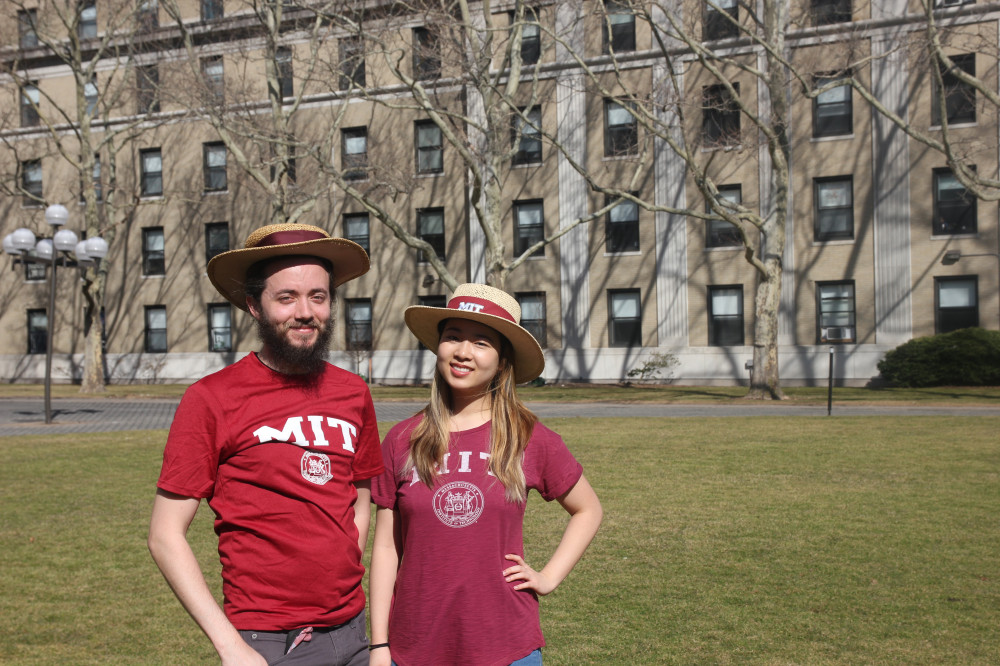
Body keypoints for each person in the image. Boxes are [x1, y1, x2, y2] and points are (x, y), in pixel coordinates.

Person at [148, 223, 384, 666]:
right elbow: (164, 535)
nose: (305, 311)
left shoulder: (354, 392)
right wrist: (231, 646)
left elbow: (361, 496)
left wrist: (342, 567)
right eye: (286, 297)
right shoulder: (212, 398)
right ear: (255, 306)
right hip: (270, 640)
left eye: (318, 296)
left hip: (352, 630)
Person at [368, 284, 603, 666]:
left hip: (504, 643)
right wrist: (379, 645)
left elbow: (588, 510)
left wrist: (548, 577)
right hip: (414, 645)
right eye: (453, 337)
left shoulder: (529, 437)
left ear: (502, 360)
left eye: (481, 342)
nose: (463, 352)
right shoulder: (401, 439)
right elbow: (386, 548)